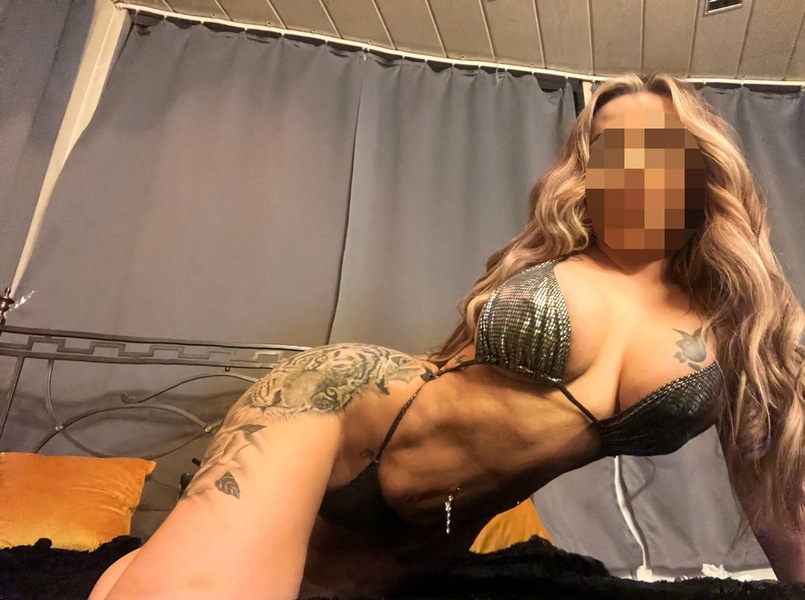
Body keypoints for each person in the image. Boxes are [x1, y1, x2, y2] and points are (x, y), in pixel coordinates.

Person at [90, 73, 805, 599]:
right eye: (608, 148)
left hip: (423, 539)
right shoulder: (564, 262)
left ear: (699, 162)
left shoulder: (738, 323)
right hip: (332, 415)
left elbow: (776, 497)